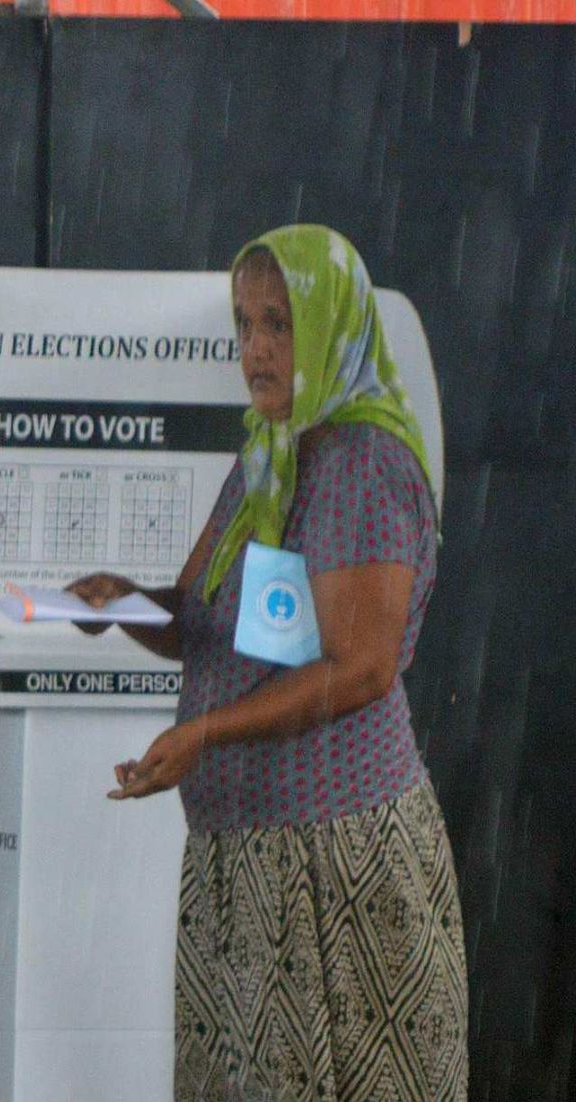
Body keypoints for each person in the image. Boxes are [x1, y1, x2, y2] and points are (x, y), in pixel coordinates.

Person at [68, 225, 468, 1100]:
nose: (253, 348)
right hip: (246, 866)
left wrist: (205, 732)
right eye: (242, 323)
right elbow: (207, 625)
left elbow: (360, 667)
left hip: (335, 871)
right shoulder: (271, 456)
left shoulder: (363, 462)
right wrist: (123, 604)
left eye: (278, 323)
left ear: (328, 327)